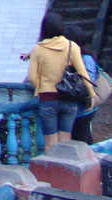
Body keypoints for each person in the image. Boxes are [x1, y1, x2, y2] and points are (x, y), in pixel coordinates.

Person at [25, 11, 93, 151]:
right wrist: (91, 94)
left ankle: (52, 172)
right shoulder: (71, 46)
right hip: (68, 99)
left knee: (50, 143)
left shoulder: (37, 49)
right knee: (65, 142)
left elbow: (32, 77)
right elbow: (82, 72)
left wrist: (41, 88)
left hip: (48, 99)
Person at [68, 25, 100, 143]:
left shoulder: (85, 58)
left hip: (83, 108)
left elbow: (89, 81)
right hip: (80, 108)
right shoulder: (79, 57)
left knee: (83, 141)